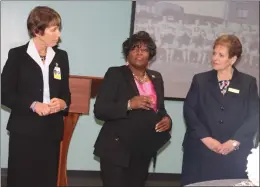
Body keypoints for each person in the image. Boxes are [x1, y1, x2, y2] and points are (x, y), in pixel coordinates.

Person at [1, 6, 71, 187]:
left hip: (52, 129)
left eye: (58, 29)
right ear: (37, 31)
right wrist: (33, 105)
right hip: (24, 129)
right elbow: (4, 93)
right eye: (54, 29)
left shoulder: (61, 57)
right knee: (21, 179)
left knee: (46, 180)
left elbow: (66, 93)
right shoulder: (17, 55)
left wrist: (63, 103)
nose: (58, 34)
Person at [93, 31, 172, 187]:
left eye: (144, 49)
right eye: (134, 48)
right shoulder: (115, 73)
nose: (139, 52)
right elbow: (100, 110)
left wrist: (167, 120)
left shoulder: (156, 77)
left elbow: (160, 109)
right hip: (116, 149)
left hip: (143, 150)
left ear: (151, 54)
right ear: (127, 53)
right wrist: (129, 104)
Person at [181, 34, 259, 186]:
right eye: (214, 53)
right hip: (201, 151)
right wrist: (207, 139)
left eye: (221, 55)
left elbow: (254, 116)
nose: (215, 58)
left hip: (235, 155)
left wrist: (234, 142)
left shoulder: (248, 82)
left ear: (233, 59)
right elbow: (189, 111)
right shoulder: (200, 80)